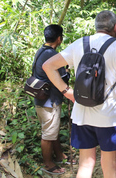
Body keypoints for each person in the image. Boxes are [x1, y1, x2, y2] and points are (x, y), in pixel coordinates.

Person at [43, 10, 116, 178]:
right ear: (115, 27)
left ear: (96, 26)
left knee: (85, 164)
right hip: (110, 116)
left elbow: (48, 66)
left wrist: (66, 91)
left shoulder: (79, 43)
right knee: (109, 166)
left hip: (82, 113)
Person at [33, 24, 71, 175]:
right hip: (50, 101)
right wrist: (67, 71)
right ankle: (48, 164)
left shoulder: (41, 51)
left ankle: (60, 156)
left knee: (51, 130)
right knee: (48, 134)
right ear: (59, 38)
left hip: (42, 99)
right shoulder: (52, 55)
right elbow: (63, 77)